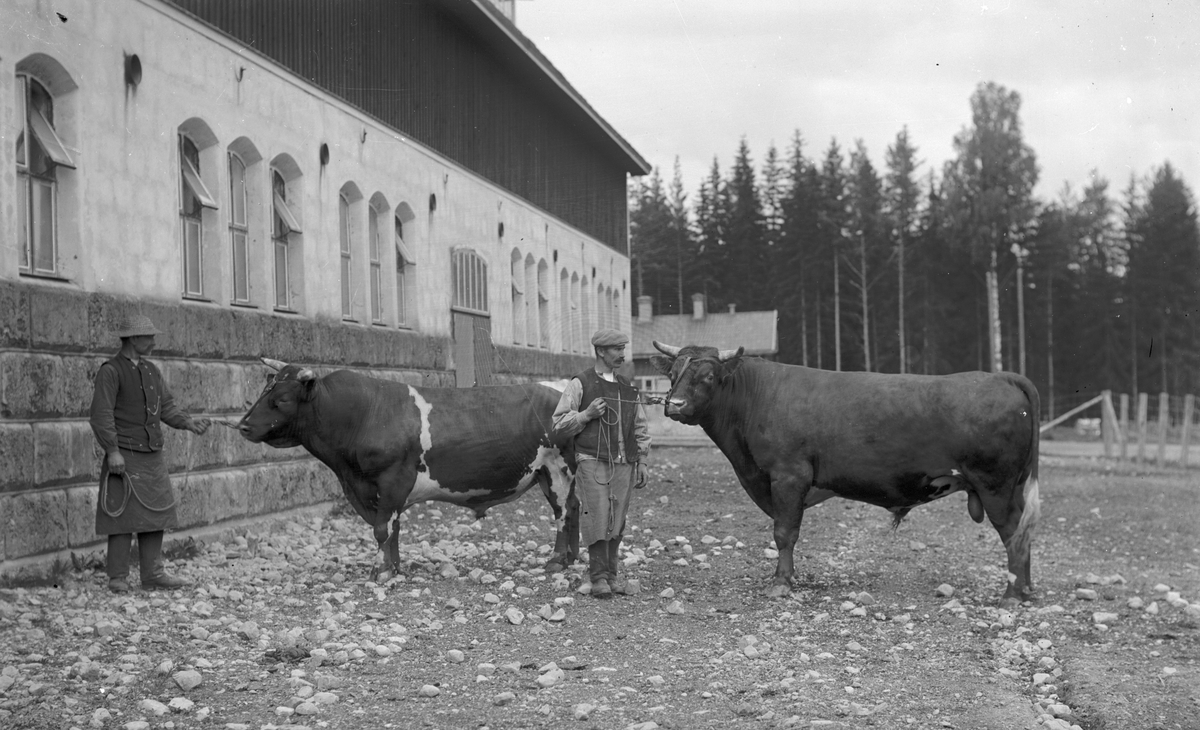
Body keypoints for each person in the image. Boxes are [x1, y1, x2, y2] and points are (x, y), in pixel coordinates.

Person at [89, 314, 211, 593]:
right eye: (150, 337)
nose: (154, 342)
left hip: (152, 456)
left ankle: (153, 574)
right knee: (120, 516)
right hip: (124, 456)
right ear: (133, 339)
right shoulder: (110, 371)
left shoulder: (152, 370)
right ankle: (117, 577)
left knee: (157, 514)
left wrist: (188, 423)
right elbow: (101, 415)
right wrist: (112, 451)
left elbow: (166, 407)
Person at [552, 328, 650, 599]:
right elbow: (558, 423)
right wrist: (586, 414)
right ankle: (598, 578)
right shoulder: (580, 383)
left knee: (617, 518)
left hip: (624, 461)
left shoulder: (627, 386)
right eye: (616, 349)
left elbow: (640, 425)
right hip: (591, 460)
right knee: (597, 515)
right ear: (600, 351)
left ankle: (612, 576)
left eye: (623, 348)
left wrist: (642, 460)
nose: (622, 354)